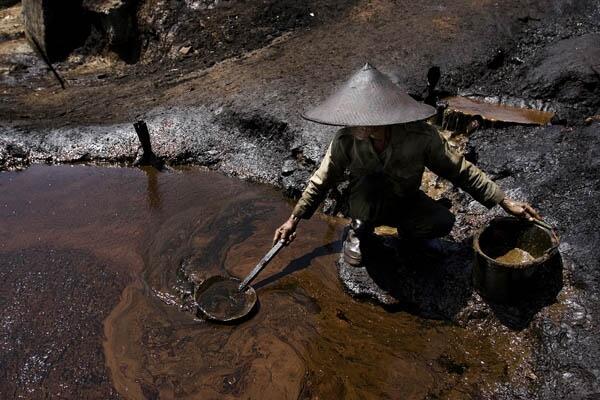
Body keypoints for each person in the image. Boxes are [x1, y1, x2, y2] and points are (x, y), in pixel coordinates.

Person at [273, 63, 540, 266]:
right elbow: (321, 180)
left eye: (359, 118)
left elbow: (460, 170)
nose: (352, 123)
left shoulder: (420, 138)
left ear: (380, 119)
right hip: (365, 203)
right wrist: (292, 221)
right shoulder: (346, 140)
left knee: (441, 222)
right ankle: (360, 229)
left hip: (404, 199)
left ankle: (406, 236)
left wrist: (505, 201)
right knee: (369, 188)